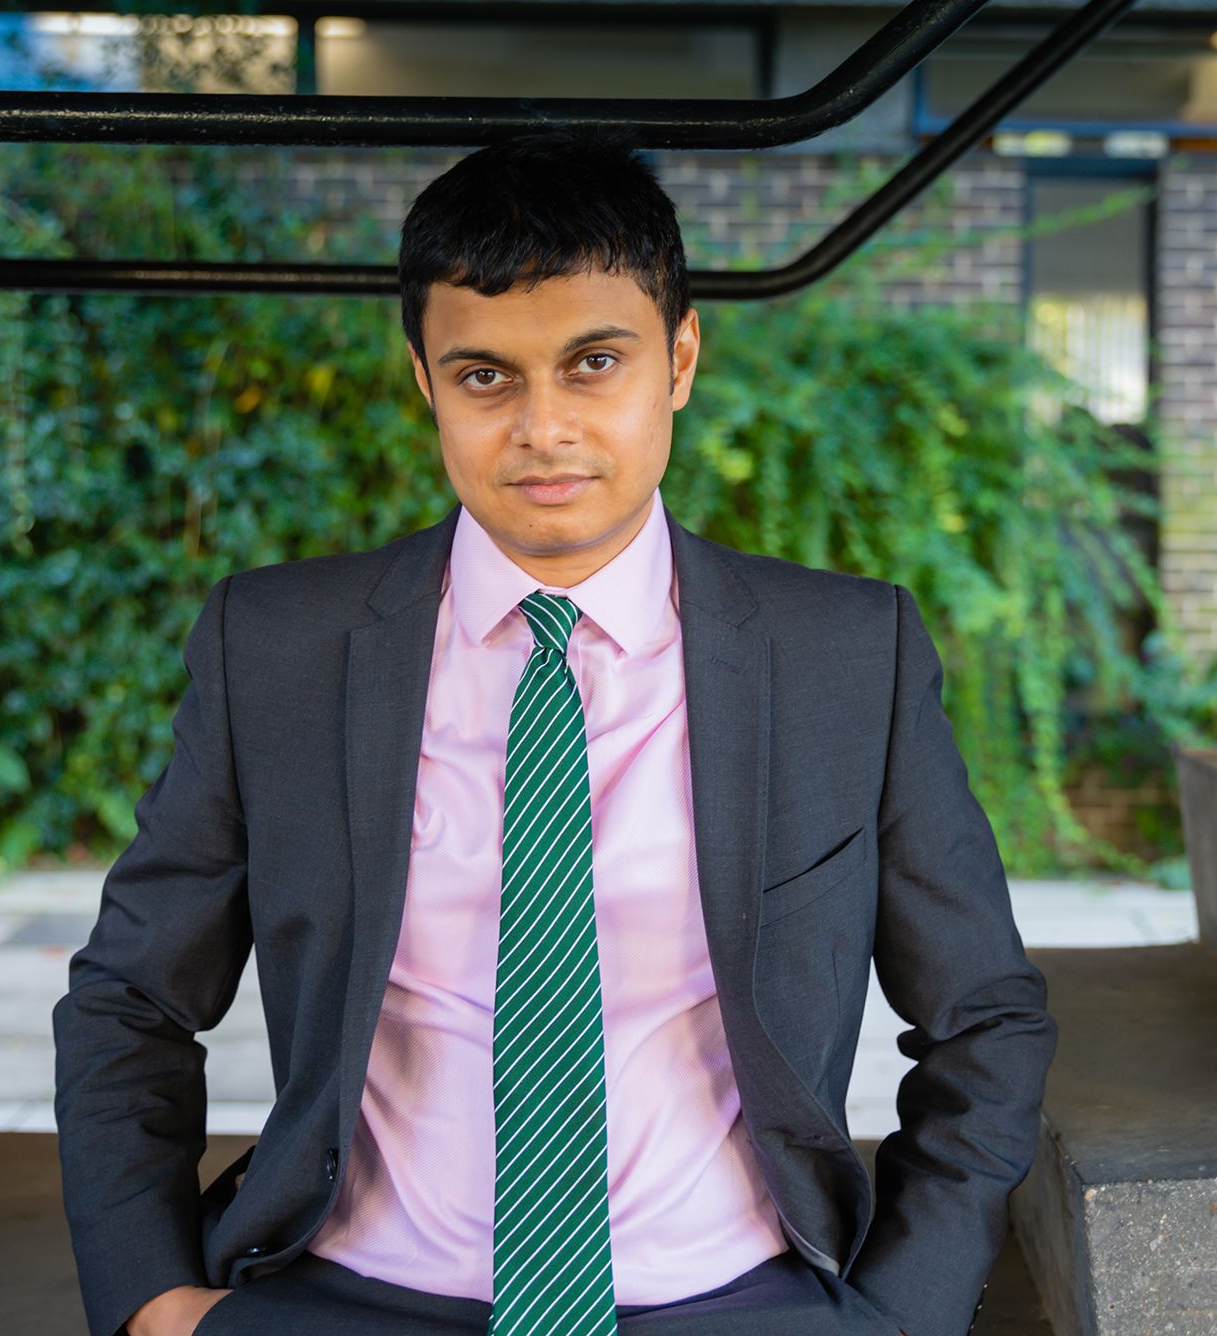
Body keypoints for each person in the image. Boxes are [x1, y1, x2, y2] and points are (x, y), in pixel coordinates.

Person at [52, 130, 1057, 1336]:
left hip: (735, 1302)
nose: (541, 426)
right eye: (485, 376)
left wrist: (901, 1314)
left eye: (592, 363)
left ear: (678, 360)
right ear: (424, 380)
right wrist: (154, 1303)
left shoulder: (848, 656)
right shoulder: (275, 649)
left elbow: (983, 1017)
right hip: (350, 1297)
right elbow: (130, 1000)